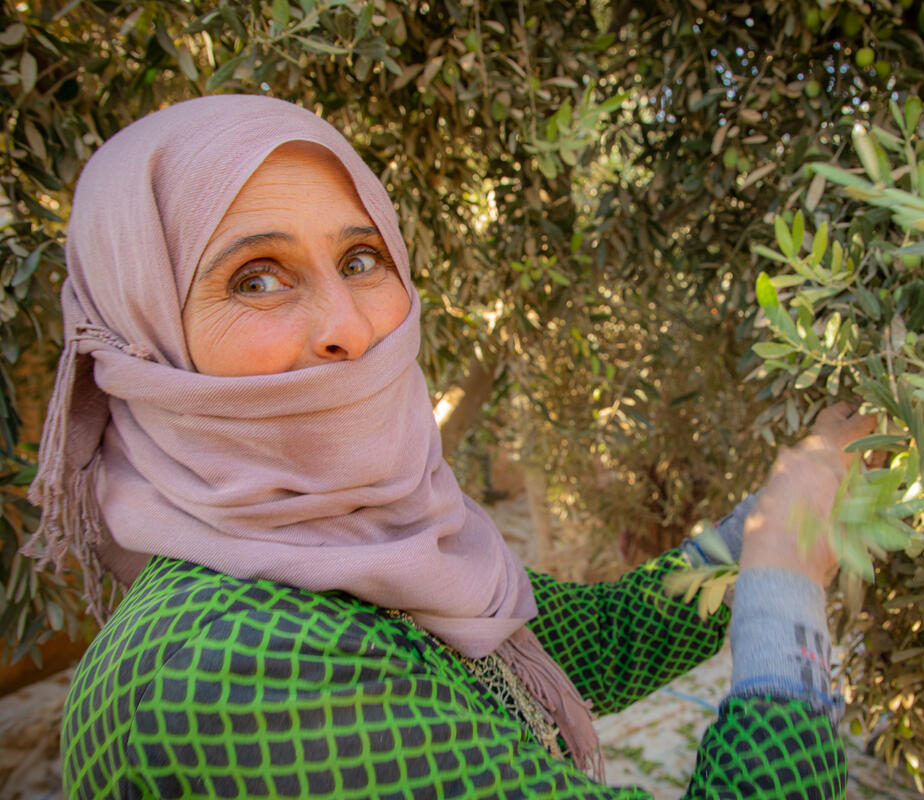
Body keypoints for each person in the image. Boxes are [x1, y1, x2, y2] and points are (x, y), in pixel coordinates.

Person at [27, 95, 875, 799]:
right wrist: (783, 603)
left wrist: (772, 521)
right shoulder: (222, 672)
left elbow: (599, 642)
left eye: (362, 258)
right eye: (256, 277)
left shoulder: (379, 547)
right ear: (141, 340)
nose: (348, 327)